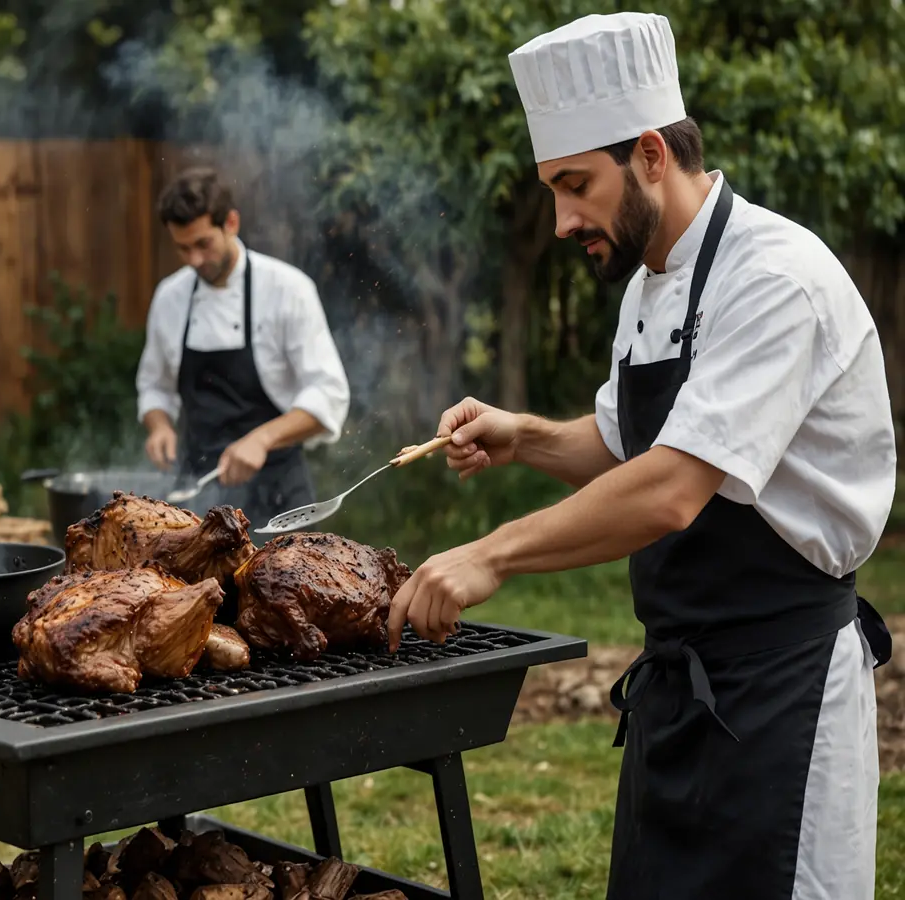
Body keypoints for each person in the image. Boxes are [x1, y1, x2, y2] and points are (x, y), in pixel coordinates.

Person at [386, 11, 896, 899]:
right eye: (552, 189)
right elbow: (631, 442)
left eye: (575, 184)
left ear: (652, 156)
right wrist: (526, 436)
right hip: (679, 694)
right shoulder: (650, 286)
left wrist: (489, 553)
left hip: (783, 696)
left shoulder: (774, 279)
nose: (560, 218)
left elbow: (669, 490)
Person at [135, 167, 350, 533]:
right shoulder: (170, 297)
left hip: (280, 500)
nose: (194, 260)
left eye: (203, 244)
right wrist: (158, 426)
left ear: (231, 223)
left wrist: (262, 438)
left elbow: (329, 395)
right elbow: (154, 384)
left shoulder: (288, 290)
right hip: (199, 499)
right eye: (183, 248)